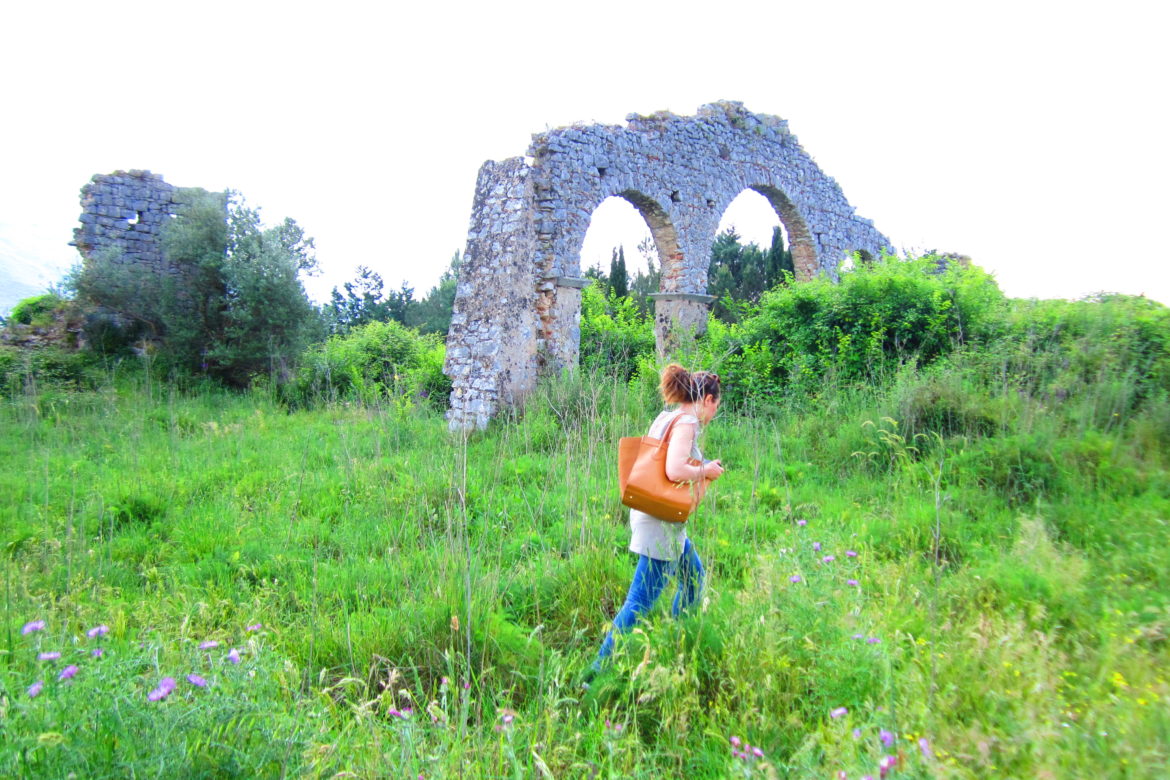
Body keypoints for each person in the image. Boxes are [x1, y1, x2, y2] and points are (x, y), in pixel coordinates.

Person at [592, 364, 725, 670]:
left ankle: (681, 643)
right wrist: (706, 470)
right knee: (638, 603)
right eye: (716, 405)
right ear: (706, 400)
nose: (715, 412)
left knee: (693, 578)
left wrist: (703, 464)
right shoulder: (687, 422)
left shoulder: (668, 416)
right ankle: (597, 671)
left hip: (657, 516)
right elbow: (675, 470)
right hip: (661, 525)